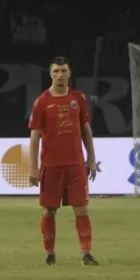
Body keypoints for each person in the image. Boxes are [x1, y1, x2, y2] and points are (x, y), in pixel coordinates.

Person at [28, 56, 99, 266]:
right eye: (56, 71)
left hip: (76, 165)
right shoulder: (42, 102)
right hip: (51, 166)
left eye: (63, 71)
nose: (60, 75)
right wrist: (33, 167)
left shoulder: (79, 98)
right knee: (49, 210)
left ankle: (86, 254)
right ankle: (50, 254)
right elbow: (34, 137)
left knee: (82, 209)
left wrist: (91, 159)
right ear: (50, 74)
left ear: (69, 73)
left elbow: (86, 129)